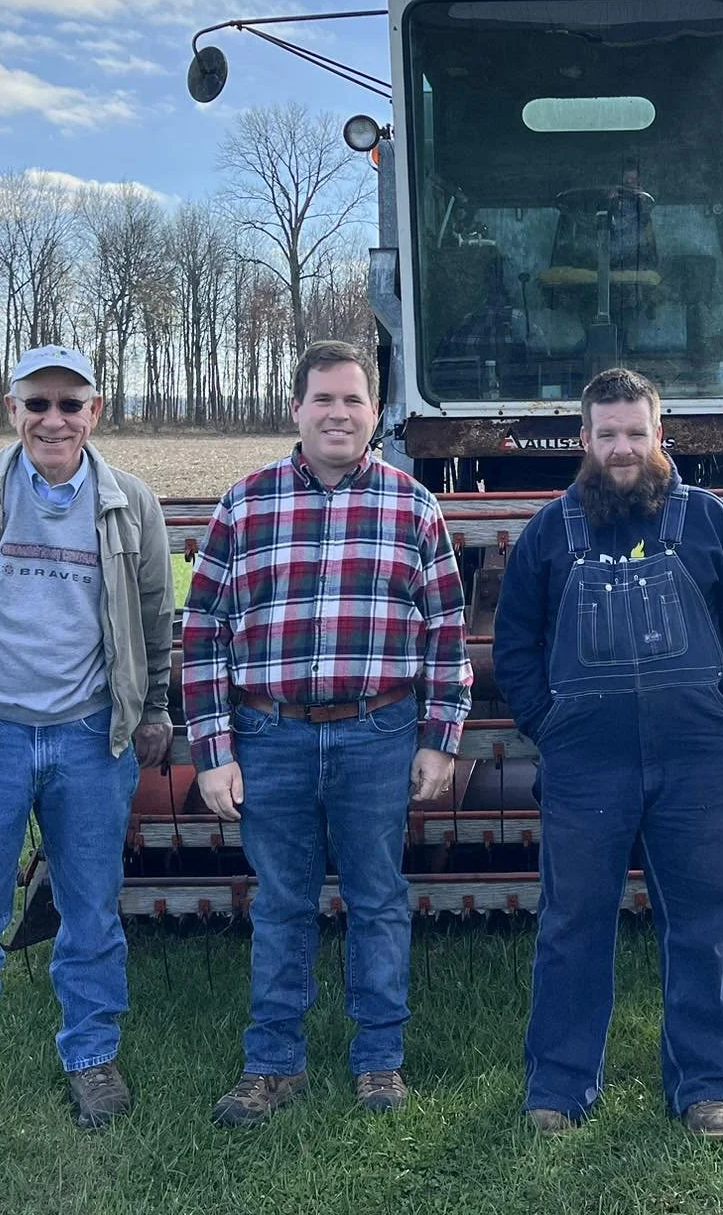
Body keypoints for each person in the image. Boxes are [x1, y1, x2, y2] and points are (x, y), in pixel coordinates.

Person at [0, 344, 173, 1158]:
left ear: (97, 412)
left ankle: (91, 1055)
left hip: (90, 740)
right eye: (37, 404)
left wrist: (149, 708)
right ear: (10, 410)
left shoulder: (129, 506)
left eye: (70, 404)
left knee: (90, 912)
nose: (54, 419)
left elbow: (154, 622)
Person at [183, 339, 472, 1126]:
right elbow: (203, 629)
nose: (338, 413)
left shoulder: (413, 506)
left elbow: (446, 629)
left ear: (376, 415)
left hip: (377, 732)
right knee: (281, 903)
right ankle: (273, 1063)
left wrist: (439, 736)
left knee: (377, 898)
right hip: (268, 735)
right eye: (323, 399)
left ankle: (379, 1060)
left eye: (353, 400)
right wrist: (213, 752)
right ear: (297, 409)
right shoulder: (245, 503)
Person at [492, 367, 723, 1140]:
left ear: (661, 436)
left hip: (694, 762)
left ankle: (708, 1085)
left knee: (701, 925)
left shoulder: (711, 522)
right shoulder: (550, 533)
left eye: (635, 433)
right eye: (607, 434)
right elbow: (514, 644)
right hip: (586, 767)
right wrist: (547, 723)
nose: (622, 448)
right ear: (583, 441)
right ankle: (559, 1085)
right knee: (573, 924)